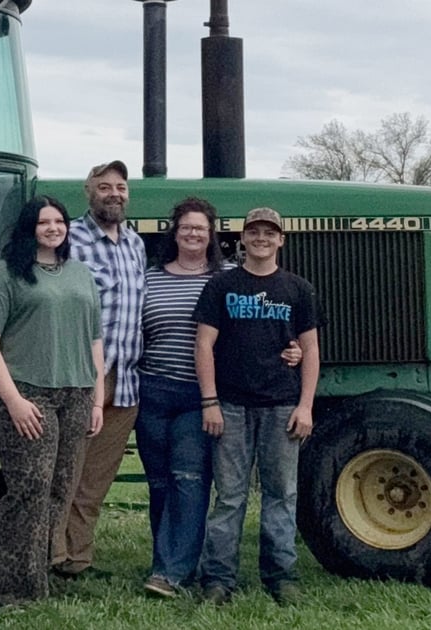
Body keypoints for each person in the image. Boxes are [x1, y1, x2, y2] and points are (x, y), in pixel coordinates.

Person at [135, 198, 301, 598]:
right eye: (186, 227)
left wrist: (291, 349)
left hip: (202, 393)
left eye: (201, 228)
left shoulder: (228, 277)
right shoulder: (150, 278)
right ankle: (171, 560)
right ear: (174, 232)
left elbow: (264, 322)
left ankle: (171, 573)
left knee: (190, 479)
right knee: (160, 484)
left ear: (213, 235)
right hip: (154, 389)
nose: (193, 234)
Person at [0, 196, 106, 608]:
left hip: (77, 393)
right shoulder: (5, 274)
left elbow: (95, 339)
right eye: (43, 222)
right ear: (29, 228)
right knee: (29, 488)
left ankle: (36, 575)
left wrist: (98, 398)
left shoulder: (80, 274)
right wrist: (12, 400)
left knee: (59, 490)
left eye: (59, 221)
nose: (53, 227)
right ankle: (11, 590)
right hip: (28, 393)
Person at [193, 207, 321, 606]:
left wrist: (306, 406)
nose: (262, 238)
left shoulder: (299, 290)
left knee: (281, 493)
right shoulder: (221, 286)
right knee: (229, 496)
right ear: (242, 238)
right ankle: (218, 580)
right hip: (230, 406)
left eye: (270, 232)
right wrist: (210, 401)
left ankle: (281, 576)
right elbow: (203, 345)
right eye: (254, 232)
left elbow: (312, 350)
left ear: (281, 239)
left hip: (282, 407)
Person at [52, 160, 146, 579]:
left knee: (95, 481)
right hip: (81, 374)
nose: (114, 193)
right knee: (64, 473)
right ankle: (48, 557)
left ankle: (78, 560)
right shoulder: (69, 239)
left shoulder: (135, 244)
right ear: (88, 190)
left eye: (121, 187)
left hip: (125, 377)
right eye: (105, 186)